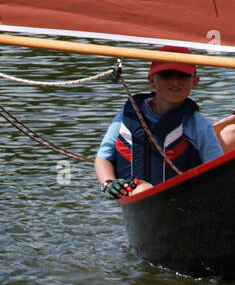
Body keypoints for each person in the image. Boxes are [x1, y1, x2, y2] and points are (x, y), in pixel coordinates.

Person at [95, 55, 222, 198]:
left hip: (181, 199)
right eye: (166, 74)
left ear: (195, 81)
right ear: (151, 80)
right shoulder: (128, 115)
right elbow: (103, 158)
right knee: (142, 190)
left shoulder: (198, 125)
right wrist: (108, 183)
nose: (175, 81)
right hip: (134, 196)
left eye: (183, 75)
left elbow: (217, 170)